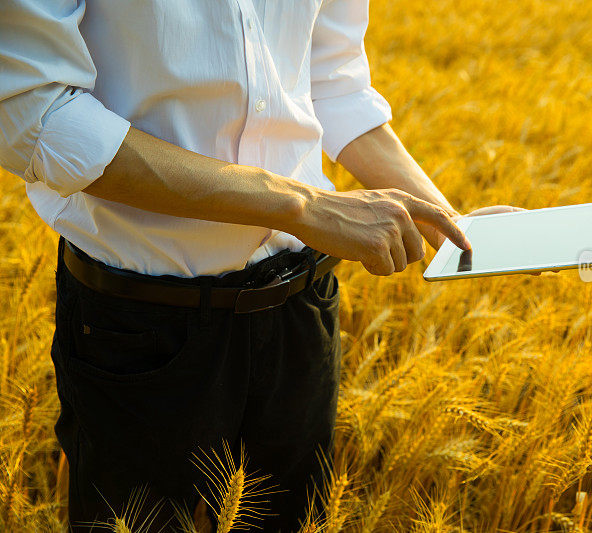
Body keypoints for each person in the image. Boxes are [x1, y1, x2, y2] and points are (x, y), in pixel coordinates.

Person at [0, 1, 518, 530]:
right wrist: (301, 206)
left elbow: (332, 82)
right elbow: (36, 113)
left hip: (302, 309)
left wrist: (450, 224)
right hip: (141, 325)